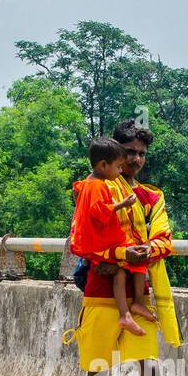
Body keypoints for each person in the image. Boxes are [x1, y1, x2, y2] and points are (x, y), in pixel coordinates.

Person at [68, 120, 185, 376]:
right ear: (116, 154)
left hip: (139, 291)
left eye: (141, 154)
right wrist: (119, 255)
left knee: (150, 366)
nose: (136, 160)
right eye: (130, 153)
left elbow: (164, 239)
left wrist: (140, 252)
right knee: (97, 369)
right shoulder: (96, 187)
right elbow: (85, 235)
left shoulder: (151, 196)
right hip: (99, 292)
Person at [69, 136, 154, 334]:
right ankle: (125, 314)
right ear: (103, 165)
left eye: (142, 154)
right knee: (121, 270)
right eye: (118, 166)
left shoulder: (93, 184)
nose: (120, 171)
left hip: (111, 245)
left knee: (133, 267)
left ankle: (136, 306)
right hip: (102, 252)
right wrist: (122, 205)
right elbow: (97, 212)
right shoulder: (99, 185)